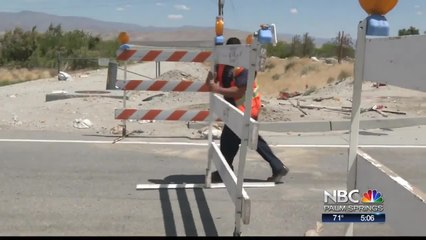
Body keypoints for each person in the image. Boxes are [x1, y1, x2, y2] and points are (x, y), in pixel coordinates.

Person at [205, 37, 290, 183]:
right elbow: (210, 81)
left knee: (232, 140)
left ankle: (224, 171)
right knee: (244, 139)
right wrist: (213, 68)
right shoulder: (222, 65)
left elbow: (239, 91)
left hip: (247, 108)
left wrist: (217, 89)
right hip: (234, 108)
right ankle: (277, 167)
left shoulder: (243, 66)